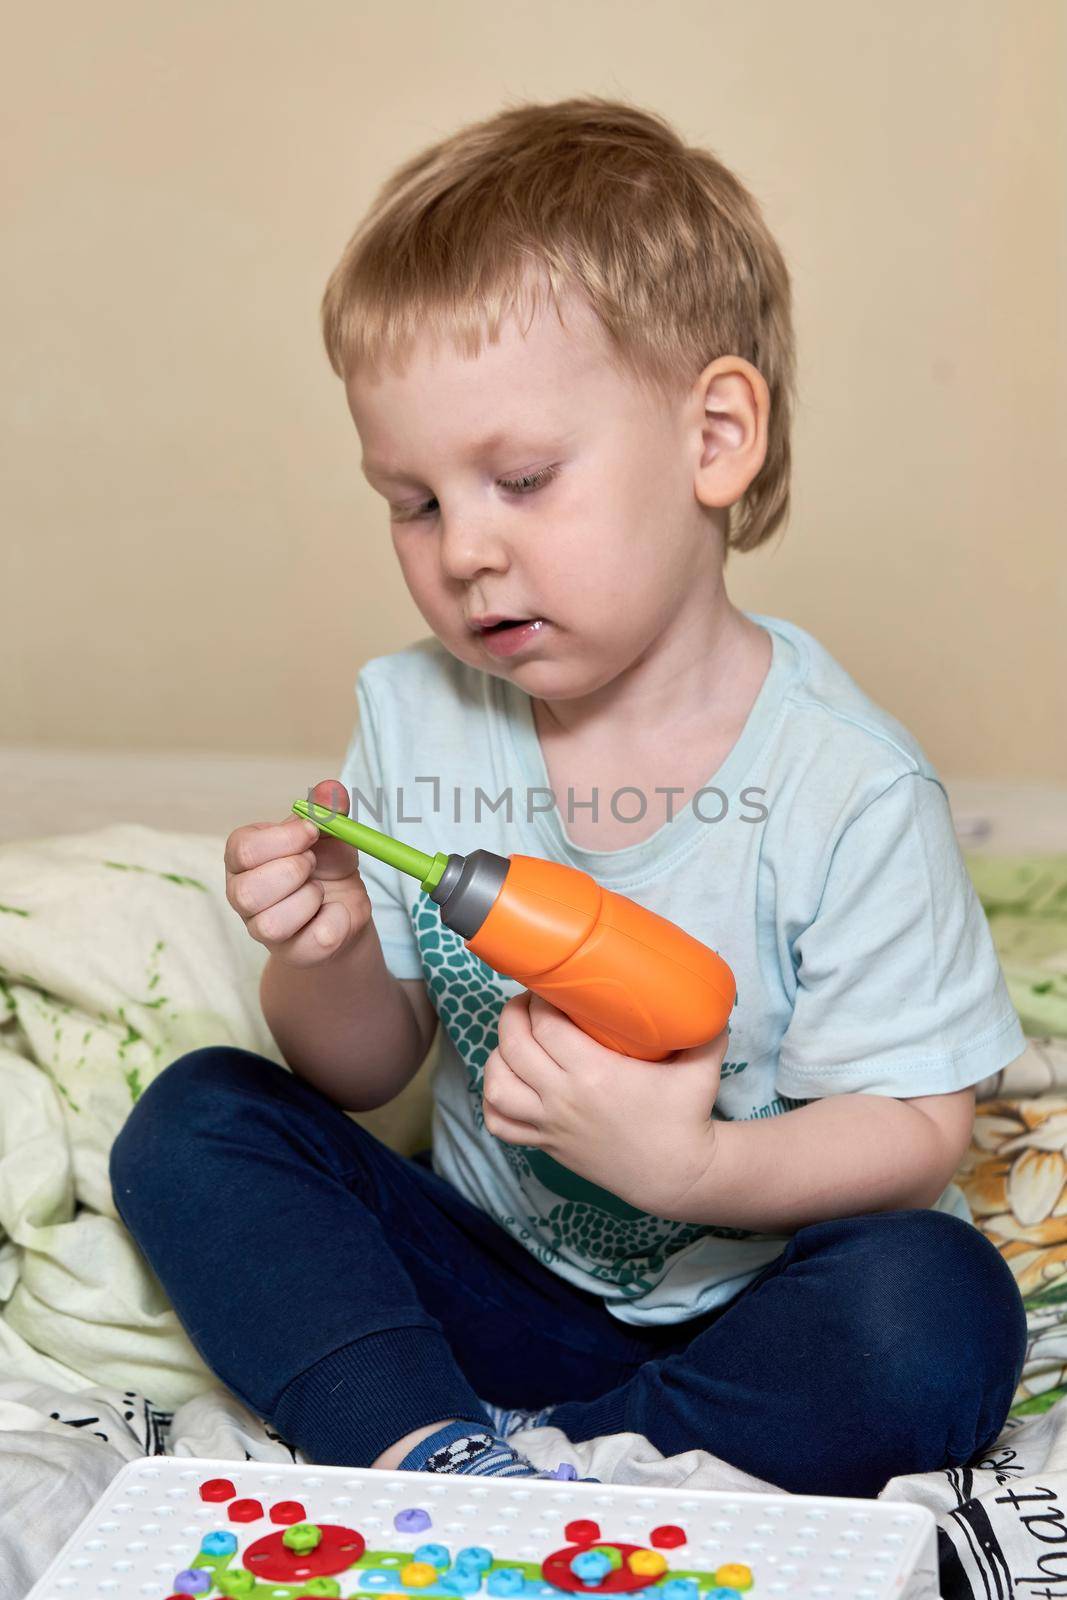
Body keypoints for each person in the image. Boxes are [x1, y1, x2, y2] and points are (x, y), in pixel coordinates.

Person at [110, 95, 1028, 1496]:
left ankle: (630, 1455)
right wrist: (333, 950)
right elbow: (364, 1073)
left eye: (522, 480)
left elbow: (917, 1131)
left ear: (716, 437)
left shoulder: (845, 783)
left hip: (751, 1307)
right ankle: (431, 1449)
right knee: (197, 1120)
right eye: (412, 502)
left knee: (938, 1304)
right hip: (484, 1293)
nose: (464, 550)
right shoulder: (415, 716)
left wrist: (695, 1173)